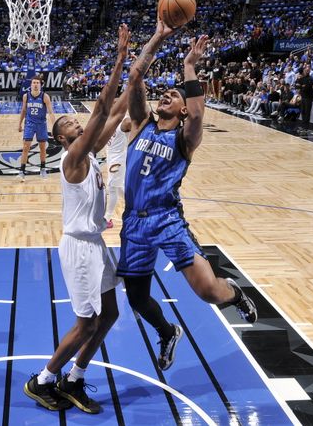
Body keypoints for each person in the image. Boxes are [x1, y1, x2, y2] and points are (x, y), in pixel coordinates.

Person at [118, 22, 258, 372]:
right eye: (164, 93)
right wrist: (158, 37)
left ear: (182, 111)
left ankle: (236, 293)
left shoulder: (185, 138)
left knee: (209, 293)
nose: (166, 95)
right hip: (134, 221)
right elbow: (135, 78)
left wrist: (189, 67)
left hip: (167, 219)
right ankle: (167, 332)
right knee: (136, 297)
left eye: (175, 95)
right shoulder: (141, 123)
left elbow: (198, 112)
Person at [24, 24, 130, 415]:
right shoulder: (72, 160)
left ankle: (75, 378)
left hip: (96, 246)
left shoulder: (90, 151)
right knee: (86, 324)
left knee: (111, 313)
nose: (74, 121)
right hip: (78, 248)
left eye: (73, 119)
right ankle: (44, 379)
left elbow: (115, 111)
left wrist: (140, 64)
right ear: (61, 139)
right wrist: (118, 59)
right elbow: (102, 108)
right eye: (67, 122)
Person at [17, 75, 56, 181]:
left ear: (40, 85)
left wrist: (54, 127)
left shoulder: (45, 96)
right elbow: (23, 111)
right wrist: (20, 123)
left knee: (43, 148)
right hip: (29, 124)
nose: (35, 84)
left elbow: (51, 112)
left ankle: (43, 169)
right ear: (31, 84)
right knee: (25, 147)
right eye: (33, 83)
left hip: (41, 124)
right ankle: (22, 171)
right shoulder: (26, 96)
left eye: (37, 83)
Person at [104, 116, 131, 229]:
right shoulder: (110, 122)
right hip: (111, 158)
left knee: (112, 187)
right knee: (119, 187)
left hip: (118, 160)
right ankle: (137, 206)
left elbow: (131, 121)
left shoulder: (124, 122)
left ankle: (107, 218)